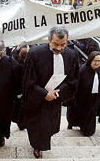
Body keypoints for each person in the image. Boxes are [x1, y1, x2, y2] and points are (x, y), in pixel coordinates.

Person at [22, 26, 79, 158]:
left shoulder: (71, 55)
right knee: (38, 125)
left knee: (50, 125)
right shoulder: (35, 54)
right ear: (48, 40)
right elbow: (28, 80)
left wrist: (58, 93)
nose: (59, 48)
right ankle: (37, 146)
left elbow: (73, 79)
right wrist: (44, 94)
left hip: (56, 98)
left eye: (63, 44)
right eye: (55, 44)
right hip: (37, 99)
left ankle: (42, 141)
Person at [66, 51, 100, 136]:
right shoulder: (83, 70)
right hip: (82, 98)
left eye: (99, 61)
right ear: (90, 60)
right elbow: (77, 86)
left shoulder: (99, 70)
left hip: (93, 98)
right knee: (78, 114)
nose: (97, 63)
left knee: (90, 119)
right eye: (95, 61)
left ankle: (86, 129)